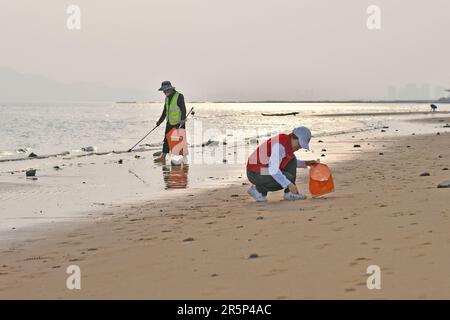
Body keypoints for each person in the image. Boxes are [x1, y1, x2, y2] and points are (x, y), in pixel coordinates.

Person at [246, 127, 318, 202]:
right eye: (300, 144)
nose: (300, 147)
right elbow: (273, 169)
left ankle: (289, 193)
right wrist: (289, 184)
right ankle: (258, 190)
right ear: (294, 138)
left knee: (291, 160)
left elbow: (287, 162)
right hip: (255, 172)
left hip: (264, 169)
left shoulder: (287, 143)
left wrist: (306, 163)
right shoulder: (280, 147)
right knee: (287, 178)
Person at [154, 81, 187, 163]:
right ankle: (163, 156)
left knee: (179, 140)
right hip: (169, 122)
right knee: (166, 139)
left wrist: (183, 119)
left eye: (165, 90)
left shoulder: (179, 96)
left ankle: (184, 158)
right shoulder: (167, 98)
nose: (164, 92)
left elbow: (183, 108)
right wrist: (159, 121)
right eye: (163, 91)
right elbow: (165, 111)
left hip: (179, 122)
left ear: (170, 89)